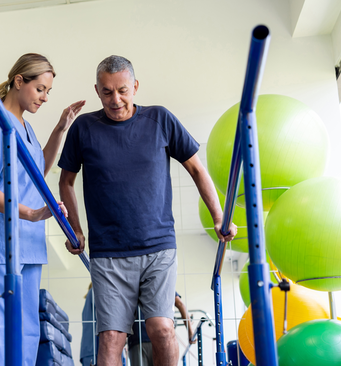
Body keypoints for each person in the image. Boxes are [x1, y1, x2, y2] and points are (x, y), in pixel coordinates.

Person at [57, 55, 236, 366]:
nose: (115, 100)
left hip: (158, 247)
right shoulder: (84, 128)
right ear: (97, 90)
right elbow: (66, 182)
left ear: (136, 87)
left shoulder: (160, 119)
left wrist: (218, 217)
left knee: (162, 329)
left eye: (123, 90)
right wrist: (76, 229)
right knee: (111, 338)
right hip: (108, 252)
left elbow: (197, 169)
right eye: (107, 92)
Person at [0, 53, 85, 366]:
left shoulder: (26, 129)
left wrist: (60, 128)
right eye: (40, 89)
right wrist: (31, 214)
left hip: (28, 244)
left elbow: (36, 172)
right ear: (19, 81)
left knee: (27, 332)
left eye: (48, 92)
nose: (45, 97)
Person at [127, 293, 194, 366]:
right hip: (153, 338)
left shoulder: (131, 287)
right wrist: (190, 332)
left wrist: (190, 331)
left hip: (140, 340)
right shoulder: (161, 286)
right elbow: (180, 304)